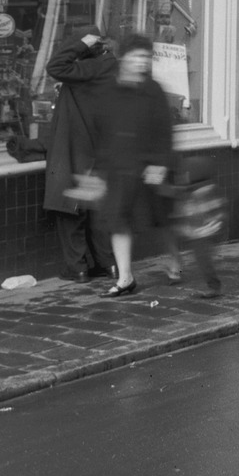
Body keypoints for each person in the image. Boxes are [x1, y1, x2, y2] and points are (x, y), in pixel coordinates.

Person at [94, 34, 178, 298]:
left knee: (160, 220)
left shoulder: (154, 91)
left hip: (149, 167)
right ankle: (125, 277)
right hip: (119, 167)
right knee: (119, 221)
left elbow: (165, 131)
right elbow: (102, 128)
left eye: (146, 57)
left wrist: (160, 164)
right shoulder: (109, 90)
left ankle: (174, 258)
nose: (143, 62)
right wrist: (98, 167)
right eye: (137, 56)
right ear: (124, 58)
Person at [43, 28, 118, 282]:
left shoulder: (89, 69)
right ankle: (108, 264)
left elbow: (55, 66)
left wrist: (80, 44)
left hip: (77, 148)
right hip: (102, 148)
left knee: (71, 208)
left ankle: (78, 268)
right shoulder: (111, 68)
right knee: (96, 209)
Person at [170, 154, 227, 297]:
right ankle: (213, 285)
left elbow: (216, 211)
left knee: (203, 259)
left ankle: (214, 287)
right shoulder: (201, 190)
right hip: (200, 233)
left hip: (205, 233)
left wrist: (215, 224)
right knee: (202, 259)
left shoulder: (202, 191)